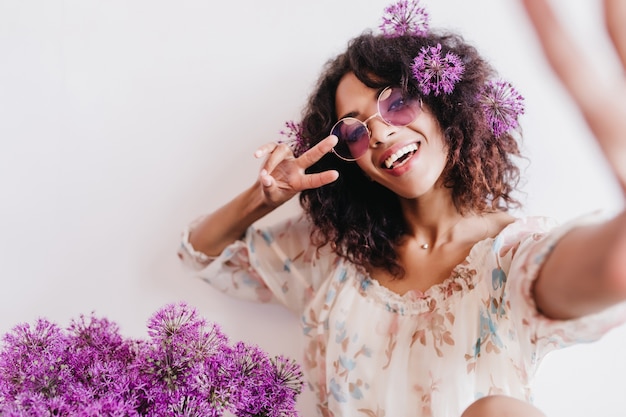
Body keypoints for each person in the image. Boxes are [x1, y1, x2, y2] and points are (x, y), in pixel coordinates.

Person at [177, 0, 626, 415]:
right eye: (353, 132)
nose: (377, 134)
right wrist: (263, 198)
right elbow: (200, 252)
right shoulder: (332, 257)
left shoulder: (509, 257)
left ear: (446, 106)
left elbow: (606, 269)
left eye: (397, 103)